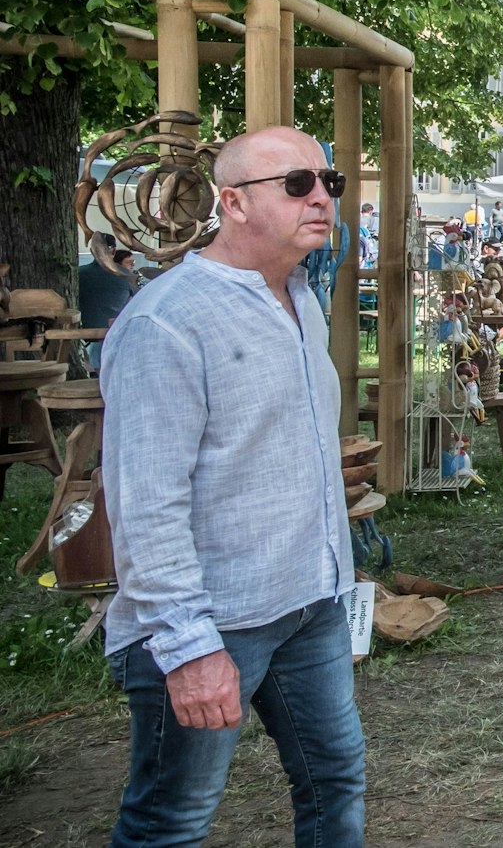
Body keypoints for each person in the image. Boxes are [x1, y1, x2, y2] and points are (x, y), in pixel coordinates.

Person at [99, 126, 364, 846]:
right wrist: (187, 646)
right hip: (214, 616)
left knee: (335, 782)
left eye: (327, 182)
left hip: (309, 602)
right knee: (169, 823)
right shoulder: (168, 320)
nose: (321, 197)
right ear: (232, 203)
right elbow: (145, 501)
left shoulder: (301, 297)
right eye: (296, 183)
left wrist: (337, 579)